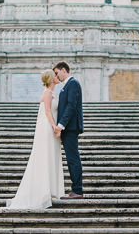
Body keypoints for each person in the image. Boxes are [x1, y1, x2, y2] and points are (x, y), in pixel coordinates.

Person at [5, 69, 65, 209]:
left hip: (49, 126)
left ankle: (50, 189)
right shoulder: (48, 93)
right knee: (46, 155)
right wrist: (55, 127)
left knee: (50, 155)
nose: (57, 77)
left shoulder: (50, 93)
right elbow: (48, 111)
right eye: (54, 75)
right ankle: (46, 190)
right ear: (51, 79)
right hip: (47, 127)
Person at [53, 61, 84, 199]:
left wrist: (61, 125)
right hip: (68, 128)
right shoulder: (67, 85)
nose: (56, 76)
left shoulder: (73, 83)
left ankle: (77, 190)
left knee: (73, 159)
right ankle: (75, 189)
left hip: (70, 128)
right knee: (71, 158)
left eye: (57, 72)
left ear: (63, 70)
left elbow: (71, 106)